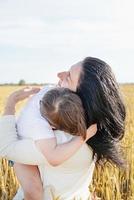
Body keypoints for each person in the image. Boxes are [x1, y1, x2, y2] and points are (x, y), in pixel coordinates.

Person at [0, 57, 126, 200]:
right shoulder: (95, 132)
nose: (60, 75)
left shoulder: (61, 142)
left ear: (80, 97)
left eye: (69, 77)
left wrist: (11, 102)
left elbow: (5, 146)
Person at [14, 86, 97, 200]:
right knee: (33, 190)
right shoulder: (38, 129)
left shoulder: (51, 92)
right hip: (17, 141)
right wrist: (84, 136)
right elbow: (54, 158)